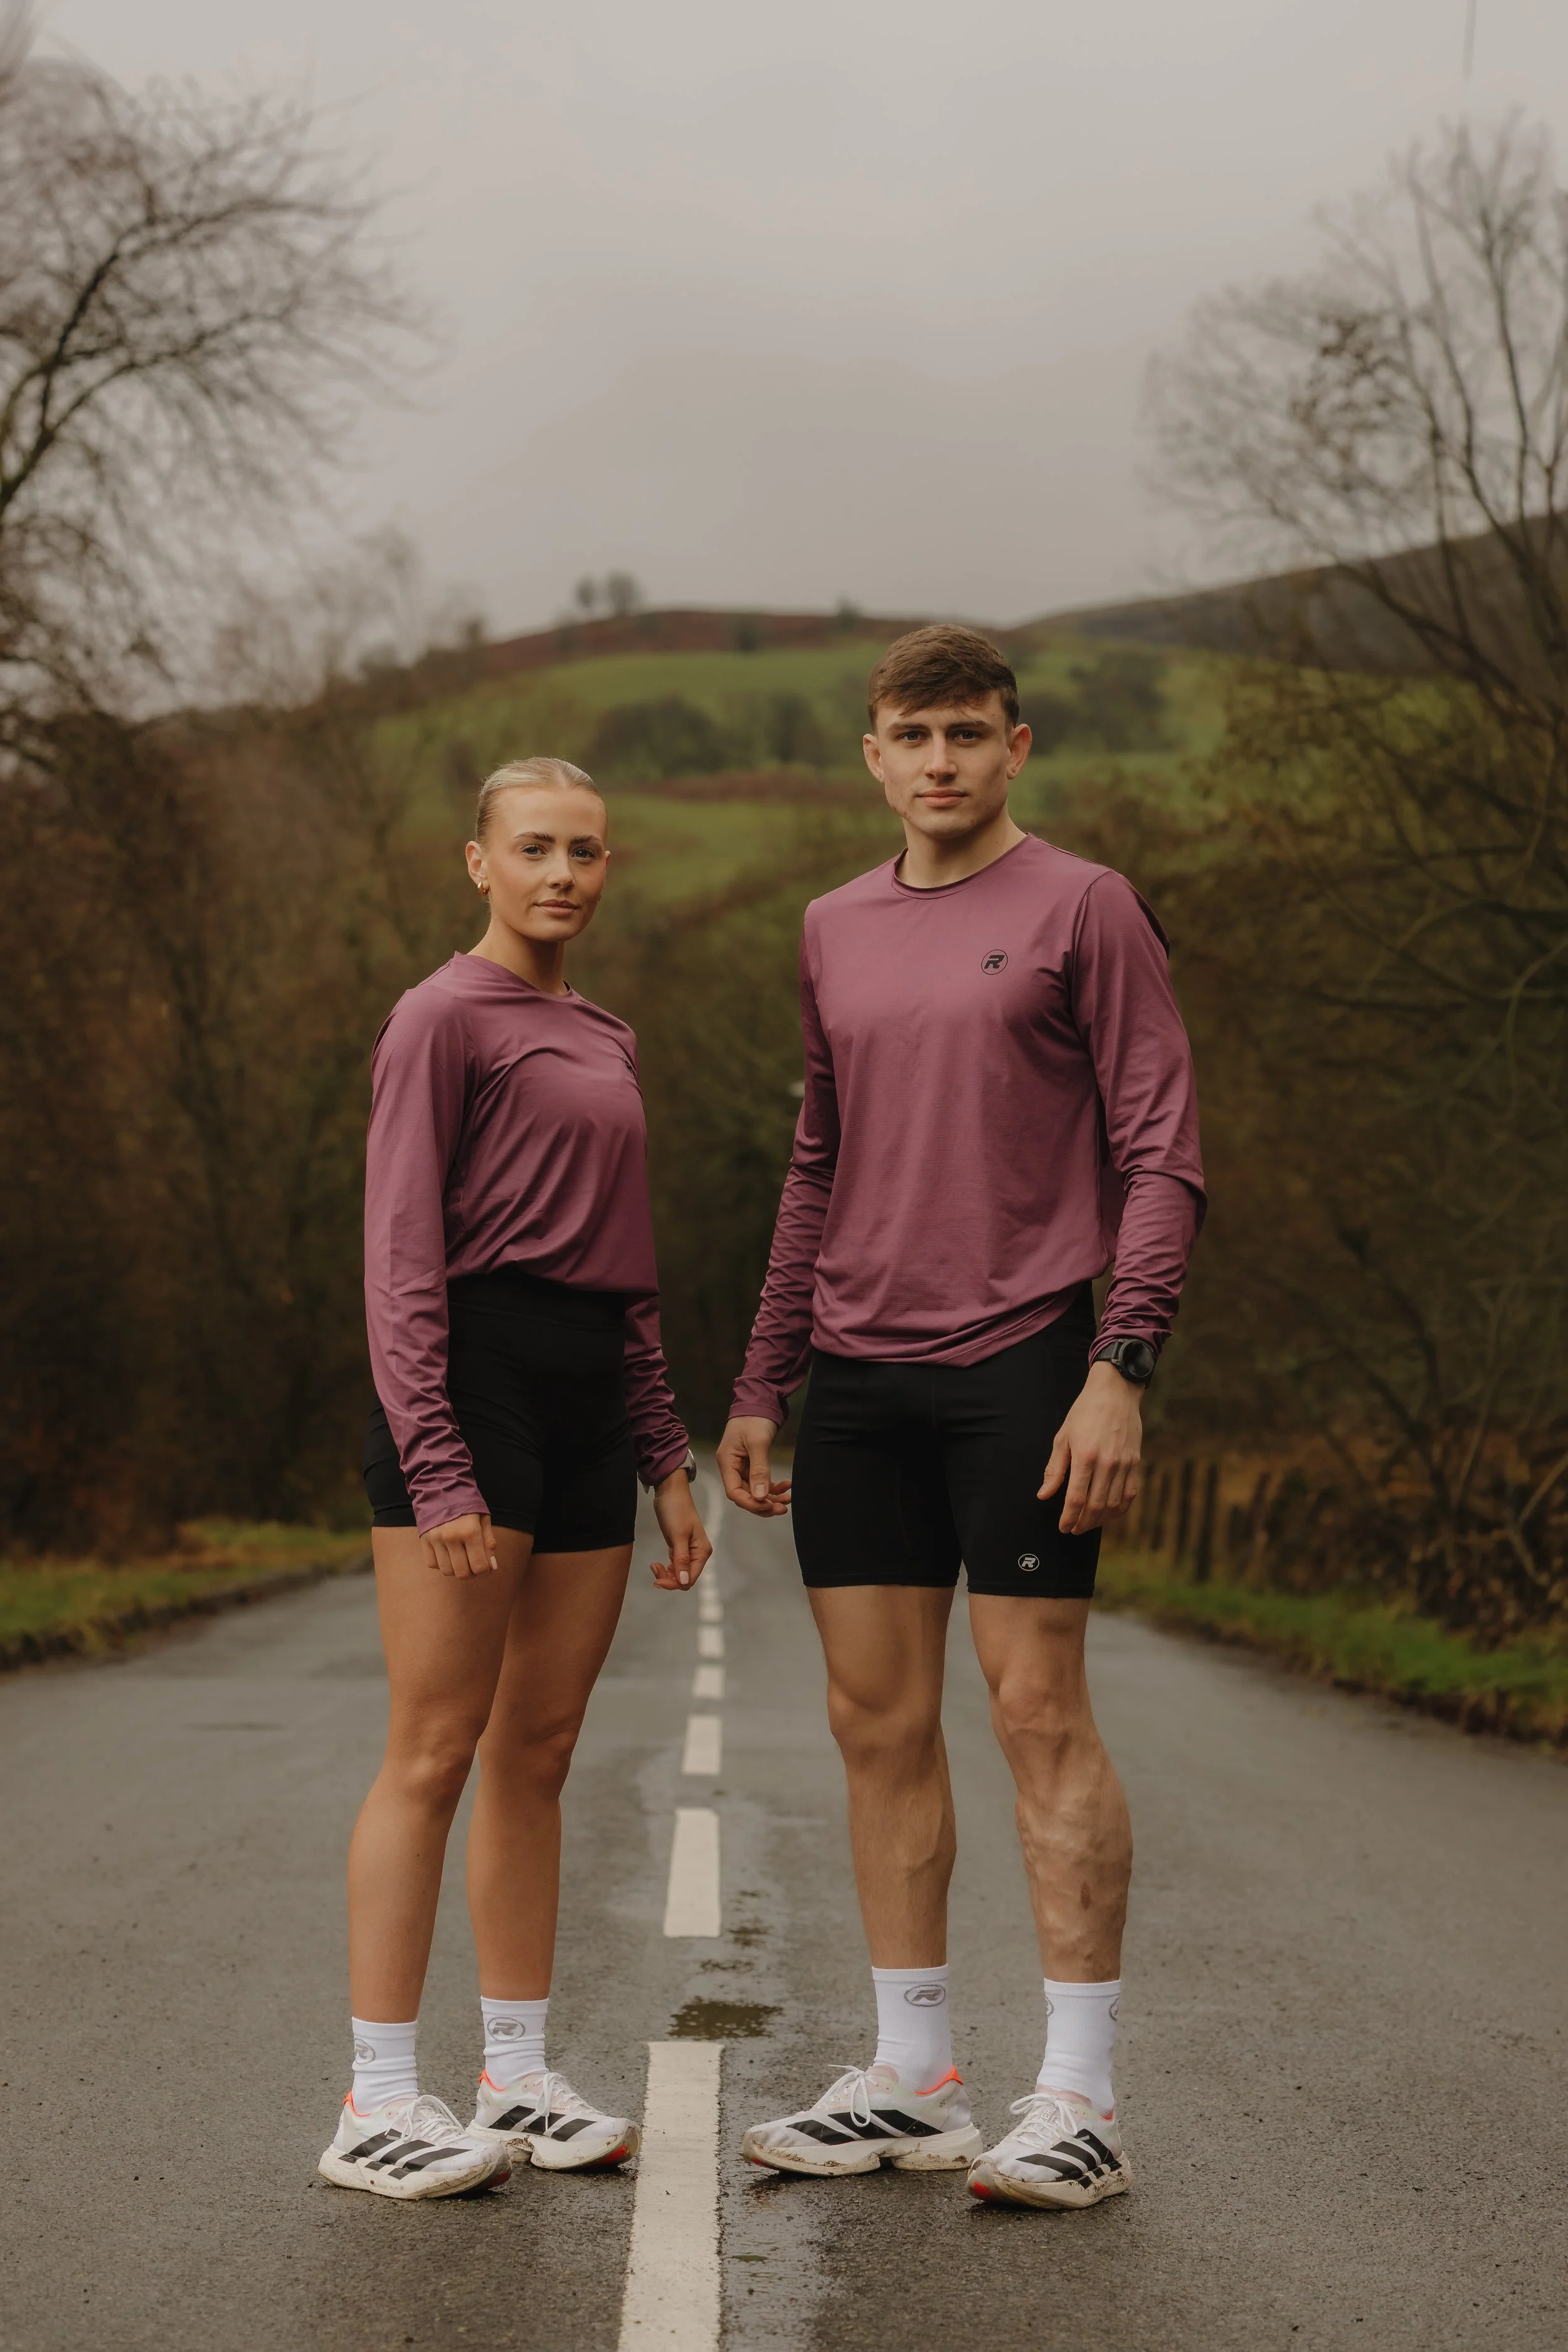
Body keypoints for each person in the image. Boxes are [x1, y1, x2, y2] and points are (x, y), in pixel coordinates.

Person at [718, 627, 1203, 2210]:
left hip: (1023, 1363)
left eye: (967, 733)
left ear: (1016, 746)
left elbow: (1161, 1152)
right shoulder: (830, 926)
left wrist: (1119, 1365)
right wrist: (763, 1380)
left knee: (1033, 1712)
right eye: (911, 734)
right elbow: (815, 1163)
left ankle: (1080, 2097)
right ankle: (915, 2073)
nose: (938, 760)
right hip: (858, 1377)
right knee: (874, 1726)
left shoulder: (1084, 907)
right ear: (870, 753)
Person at [319, 756, 711, 2201]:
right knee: (433, 1746)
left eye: (588, 851)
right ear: (476, 862)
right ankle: (373, 2099)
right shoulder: (437, 1018)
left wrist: (665, 1453)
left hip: (587, 1393)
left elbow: (629, 1274)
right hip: (466, 1380)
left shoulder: (603, 1033)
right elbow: (399, 1253)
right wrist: (434, 1462)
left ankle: (515, 2073)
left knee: (536, 1751)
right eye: (536, 847)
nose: (565, 873)